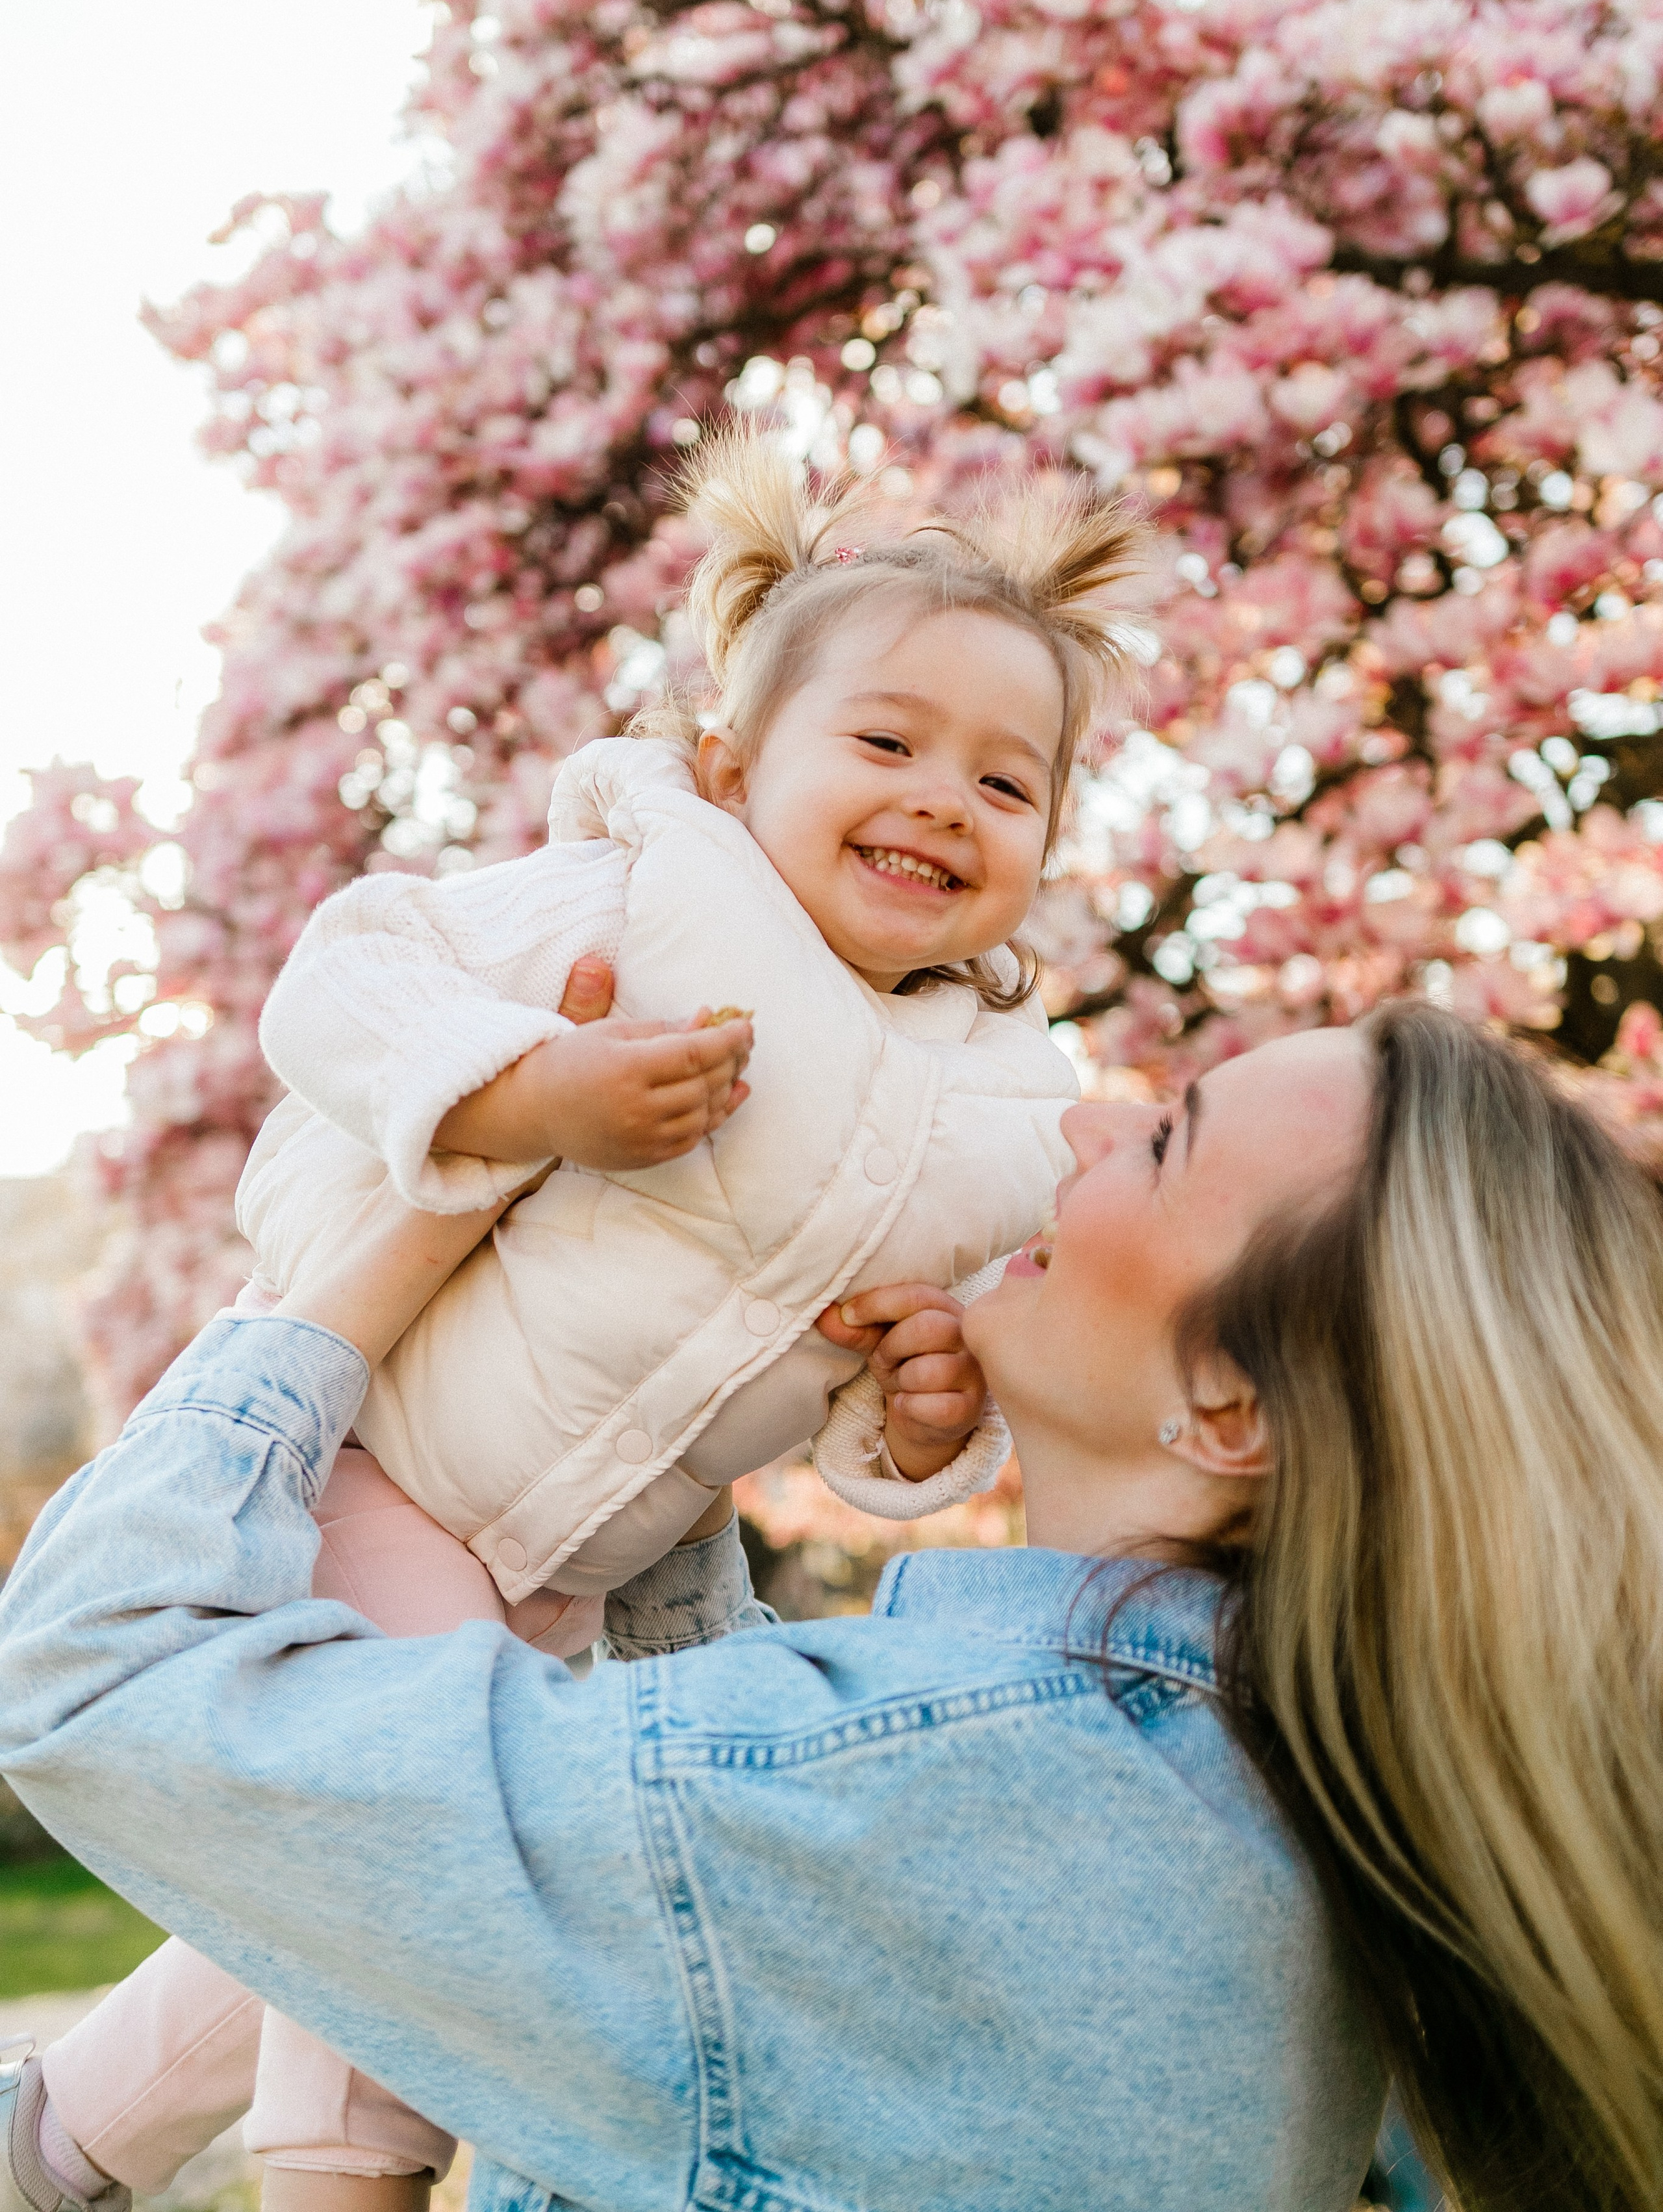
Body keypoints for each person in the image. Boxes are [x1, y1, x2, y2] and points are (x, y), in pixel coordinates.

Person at [1, 429, 1147, 2209]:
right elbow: (348, 975)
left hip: (570, 1567)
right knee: (415, 1826)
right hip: (391, 1465)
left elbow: (873, 1345)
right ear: (730, 760)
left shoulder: (999, 1099)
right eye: (889, 742)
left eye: (1010, 784)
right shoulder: (644, 896)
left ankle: (59, 2138)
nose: (944, 798)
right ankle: (342, 2175)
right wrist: (526, 1091)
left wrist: (917, 1416)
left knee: (365, 1865)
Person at [5, 1004, 1660, 2209]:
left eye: (1161, 1142)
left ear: (1229, 1410)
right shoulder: (1260, 1815)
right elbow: (757, 1952)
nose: (1085, 1124)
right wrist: (644, 1440)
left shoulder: (957, 1802)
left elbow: (97, 1675)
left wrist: (366, 1266)